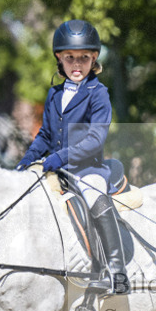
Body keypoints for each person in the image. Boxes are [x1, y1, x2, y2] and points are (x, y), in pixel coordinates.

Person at [16, 19, 128, 295]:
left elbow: (94, 139)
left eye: (83, 59)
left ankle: (115, 270)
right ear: (59, 59)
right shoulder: (54, 94)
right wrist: (28, 158)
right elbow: (44, 134)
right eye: (70, 59)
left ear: (93, 59)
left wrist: (58, 159)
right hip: (56, 170)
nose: (77, 65)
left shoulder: (98, 94)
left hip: (87, 169)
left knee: (94, 196)